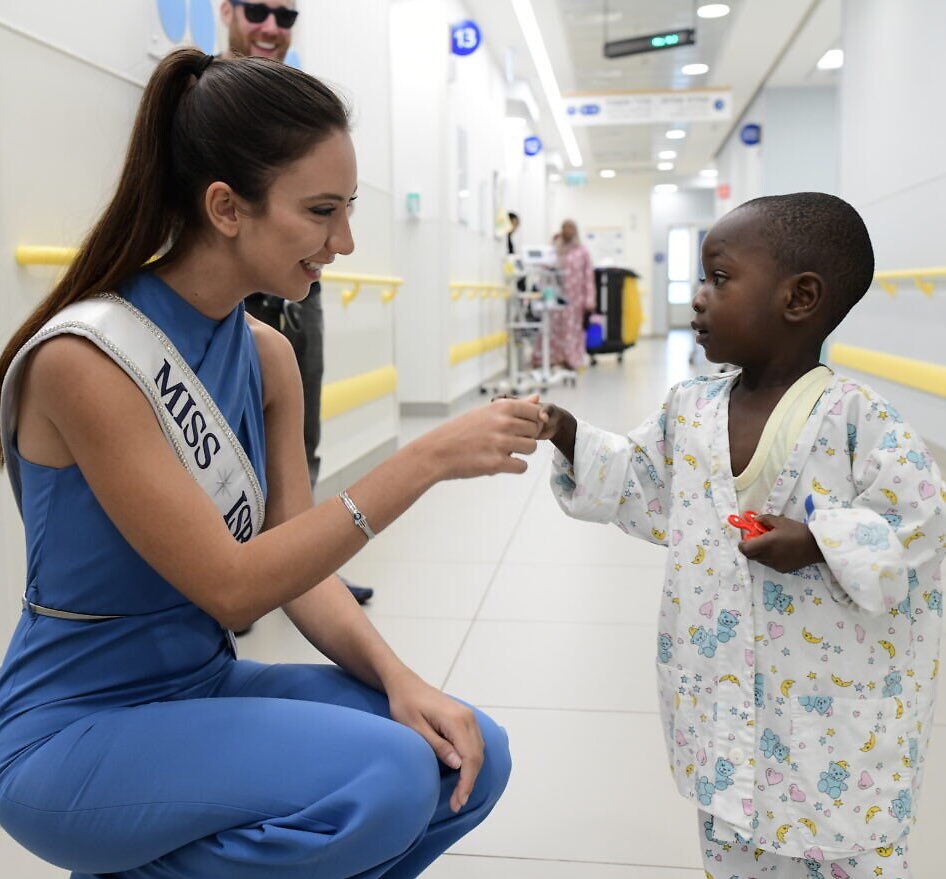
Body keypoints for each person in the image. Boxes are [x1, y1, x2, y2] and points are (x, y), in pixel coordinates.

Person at [0, 48, 535, 878]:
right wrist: (423, 460)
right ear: (226, 207)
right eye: (322, 211)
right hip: (71, 729)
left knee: (468, 749)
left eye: (348, 209)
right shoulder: (89, 360)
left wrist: (399, 678)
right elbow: (235, 585)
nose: (345, 240)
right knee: (385, 778)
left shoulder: (268, 355)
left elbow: (295, 571)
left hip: (200, 691)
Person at [537, 193, 945, 878]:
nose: (698, 298)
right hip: (721, 693)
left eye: (719, 279)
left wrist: (819, 539)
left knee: (837, 838)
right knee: (733, 831)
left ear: (799, 298)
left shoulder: (857, 420)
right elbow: (641, 481)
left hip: (833, 712)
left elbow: (921, 522)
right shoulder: (690, 409)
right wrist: (570, 432)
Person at [220, 0, 374, 606]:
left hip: (294, 296)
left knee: (300, 430)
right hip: (230, 302)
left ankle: (305, 568)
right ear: (227, 10)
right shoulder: (199, 110)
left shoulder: (302, 105)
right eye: (258, 10)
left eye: (286, 17)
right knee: (222, 442)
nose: (271, 28)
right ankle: (238, 574)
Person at [534, 219, 595, 371]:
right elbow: (544, 271)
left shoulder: (582, 251)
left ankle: (571, 360)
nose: (566, 231)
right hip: (554, 297)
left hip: (575, 300)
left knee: (572, 331)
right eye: (564, 228)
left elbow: (588, 276)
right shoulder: (554, 248)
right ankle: (552, 359)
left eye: (570, 228)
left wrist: (590, 299)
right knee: (552, 329)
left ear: (575, 230)